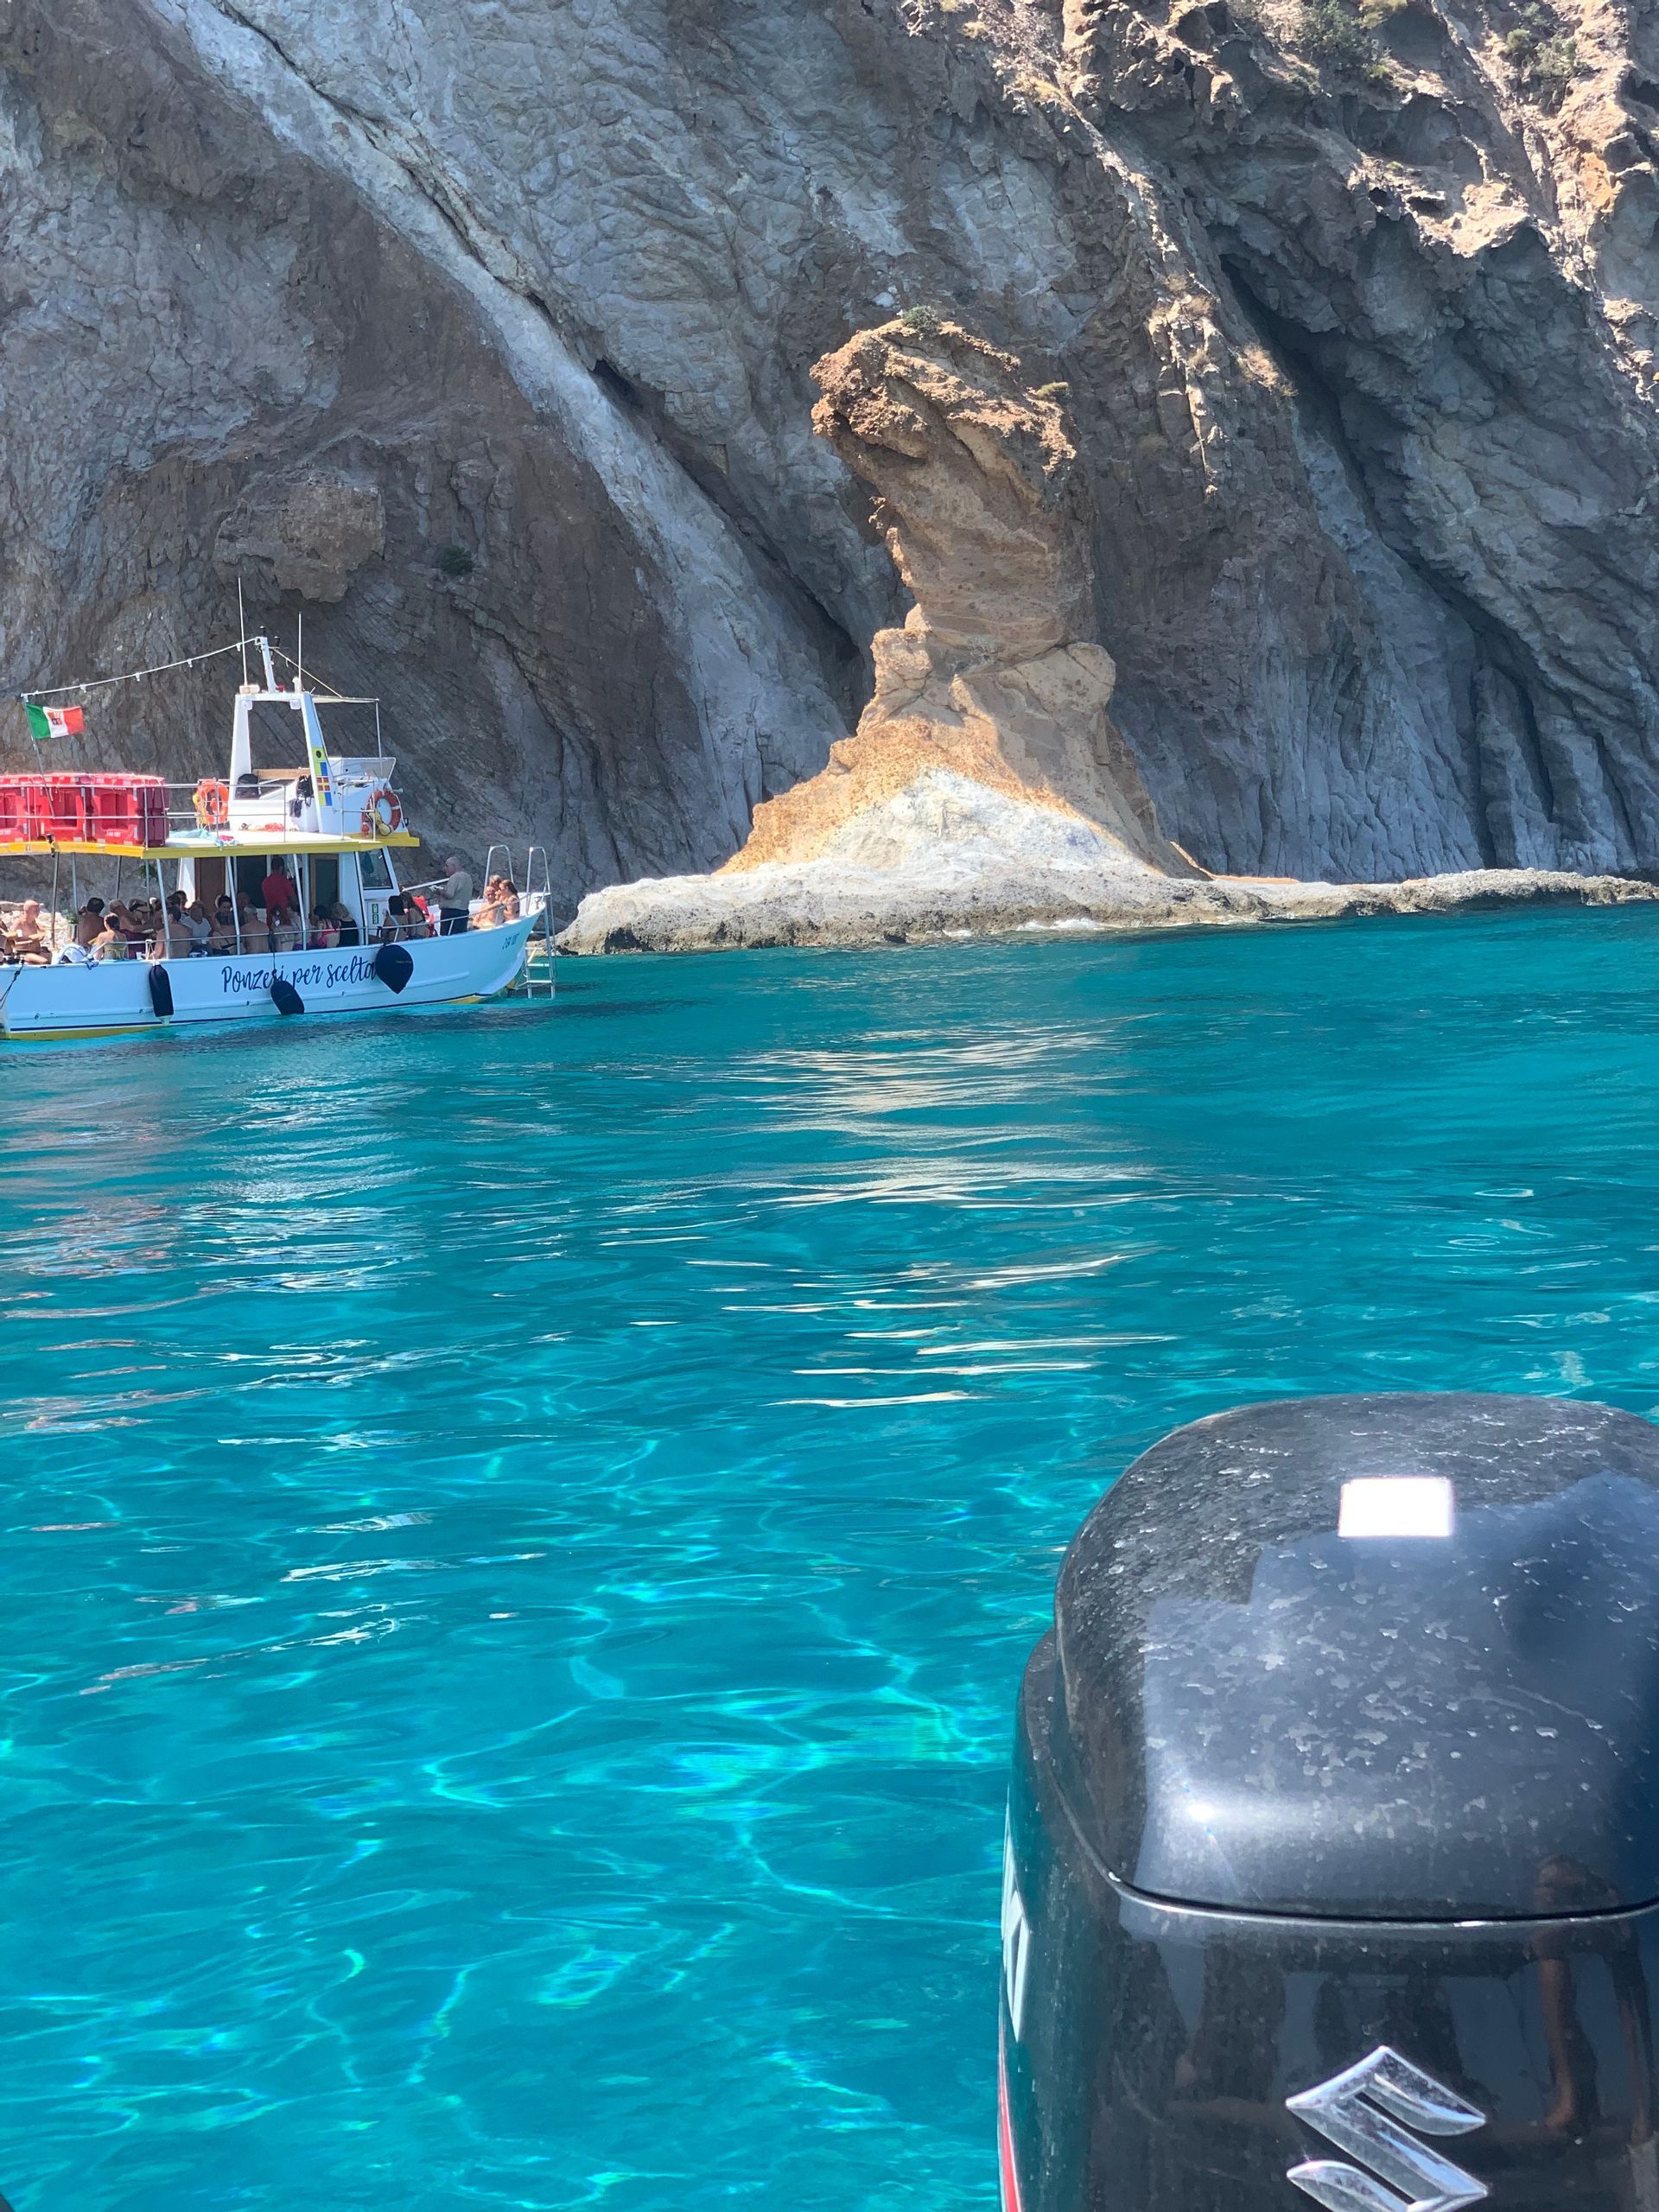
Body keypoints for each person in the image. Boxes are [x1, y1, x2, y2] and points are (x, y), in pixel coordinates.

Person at [435, 855, 473, 936]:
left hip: (451, 913)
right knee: (460, 936)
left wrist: (440, 892)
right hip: (463, 911)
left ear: (454, 866)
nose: (445, 868)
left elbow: (449, 895)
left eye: (447, 866)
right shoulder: (468, 877)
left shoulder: (455, 877)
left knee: (447, 937)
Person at [261, 863, 299, 934]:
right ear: (281, 868)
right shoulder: (284, 881)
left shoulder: (265, 882)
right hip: (284, 916)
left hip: (271, 915)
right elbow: (293, 899)